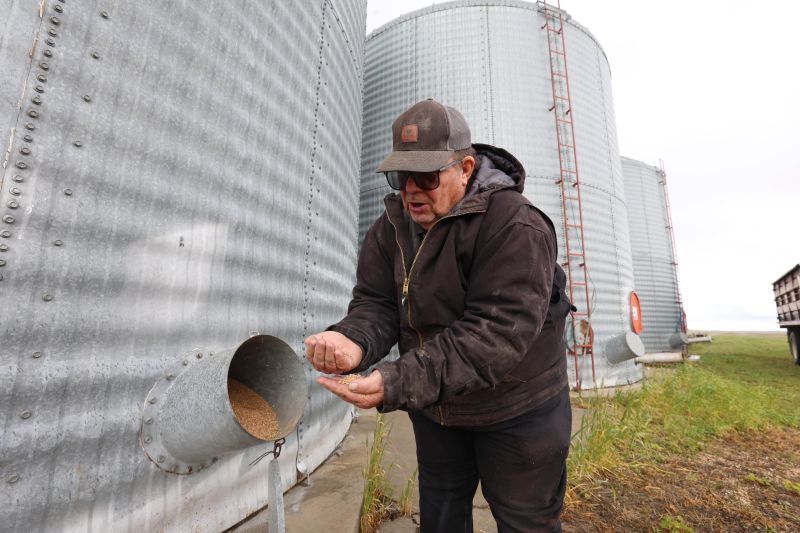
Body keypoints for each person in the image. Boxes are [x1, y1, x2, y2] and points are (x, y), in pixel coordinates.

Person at [305, 98, 573, 532]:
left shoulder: (515, 227)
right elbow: (377, 303)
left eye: (427, 176)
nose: (411, 189)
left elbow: (495, 335)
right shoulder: (391, 226)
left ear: (465, 169)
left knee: (526, 523)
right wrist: (351, 341)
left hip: (518, 409)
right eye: (401, 175)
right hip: (439, 409)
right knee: (441, 518)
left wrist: (397, 381)